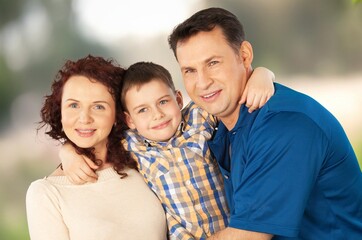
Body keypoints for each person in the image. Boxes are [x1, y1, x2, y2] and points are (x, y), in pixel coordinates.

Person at [168, 7, 362, 240]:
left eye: (213, 63)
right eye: (190, 70)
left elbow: (247, 237)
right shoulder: (217, 126)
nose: (202, 82)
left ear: (244, 55)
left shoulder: (284, 125)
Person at [59, 61, 275, 239]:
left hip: (234, 232)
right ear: (129, 119)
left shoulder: (198, 118)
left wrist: (263, 73)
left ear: (178, 99)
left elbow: (232, 94)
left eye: (163, 102)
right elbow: (92, 136)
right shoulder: (131, 144)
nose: (157, 115)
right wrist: (67, 153)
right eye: (143, 110)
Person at [26, 55, 167, 240]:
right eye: (74, 105)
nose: (84, 118)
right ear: (60, 111)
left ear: (117, 114)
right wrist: (67, 151)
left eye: (98, 107)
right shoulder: (46, 193)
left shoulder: (142, 159)